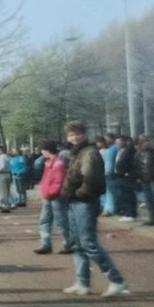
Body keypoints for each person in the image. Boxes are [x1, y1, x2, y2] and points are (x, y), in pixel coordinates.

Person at [60, 121, 130, 297]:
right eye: (70, 134)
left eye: (77, 133)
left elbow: (92, 179)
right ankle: (82, 282)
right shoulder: (78, 152)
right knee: (77, 244)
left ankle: (116, 280)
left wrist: (78, 194)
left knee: (88, 243)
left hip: (84, 202)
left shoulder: (89, 153)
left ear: (84, 134)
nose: (74, 137)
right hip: (75, 201)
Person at [33, 141, 75, 255]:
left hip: (55, 196)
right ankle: (46, 244)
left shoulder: (58, 163)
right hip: (49, 195)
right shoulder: (50, 162)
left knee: (61, 221)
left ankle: (69, 243)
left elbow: (58, 181)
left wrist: (50, 191)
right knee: (45, 220)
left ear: (46, 150)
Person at [112, 136, 139, 221]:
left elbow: (132, 163)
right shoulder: (120, 151)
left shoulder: (130, 151)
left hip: (126, 176)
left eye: (119, 142)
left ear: (124, 142)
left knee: (128, 195)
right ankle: (127, 212)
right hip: (119, 175)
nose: (117, 144)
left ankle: (130, 214)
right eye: (116, 142)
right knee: (123, 195)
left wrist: (129, 172)